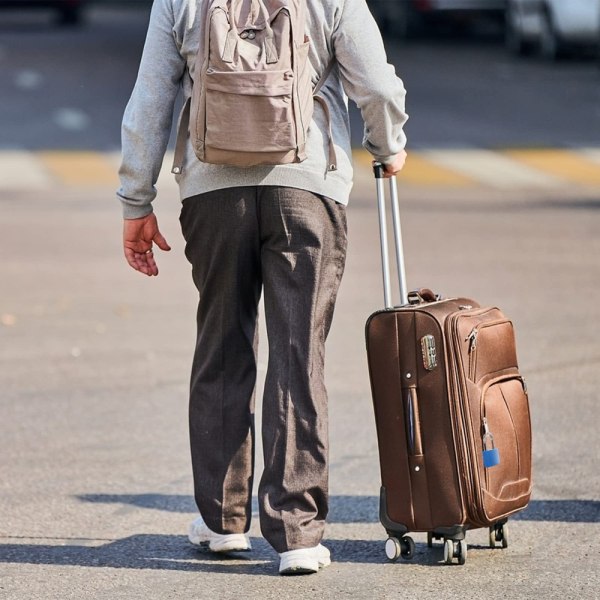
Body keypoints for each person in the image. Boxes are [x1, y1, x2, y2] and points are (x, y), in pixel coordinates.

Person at [118, 0, 408, 576]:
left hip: (211, 192)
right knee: (298, 354)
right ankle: (297, 530)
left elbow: (150, 100)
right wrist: (388, 144)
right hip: (308, 190)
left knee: (222, 344)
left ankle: (223, 520)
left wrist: (136, 200)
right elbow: (375, 83)